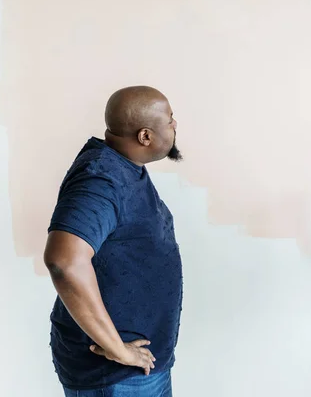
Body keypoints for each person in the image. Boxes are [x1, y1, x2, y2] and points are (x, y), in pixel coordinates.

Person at [43, 86, 183, 397]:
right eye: (170, 119)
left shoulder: (122, 167)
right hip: (115, 377)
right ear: (145, 136)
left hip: (138, 369)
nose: (175, 125)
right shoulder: (101, 179)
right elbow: (64, 261)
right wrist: (117, 349)